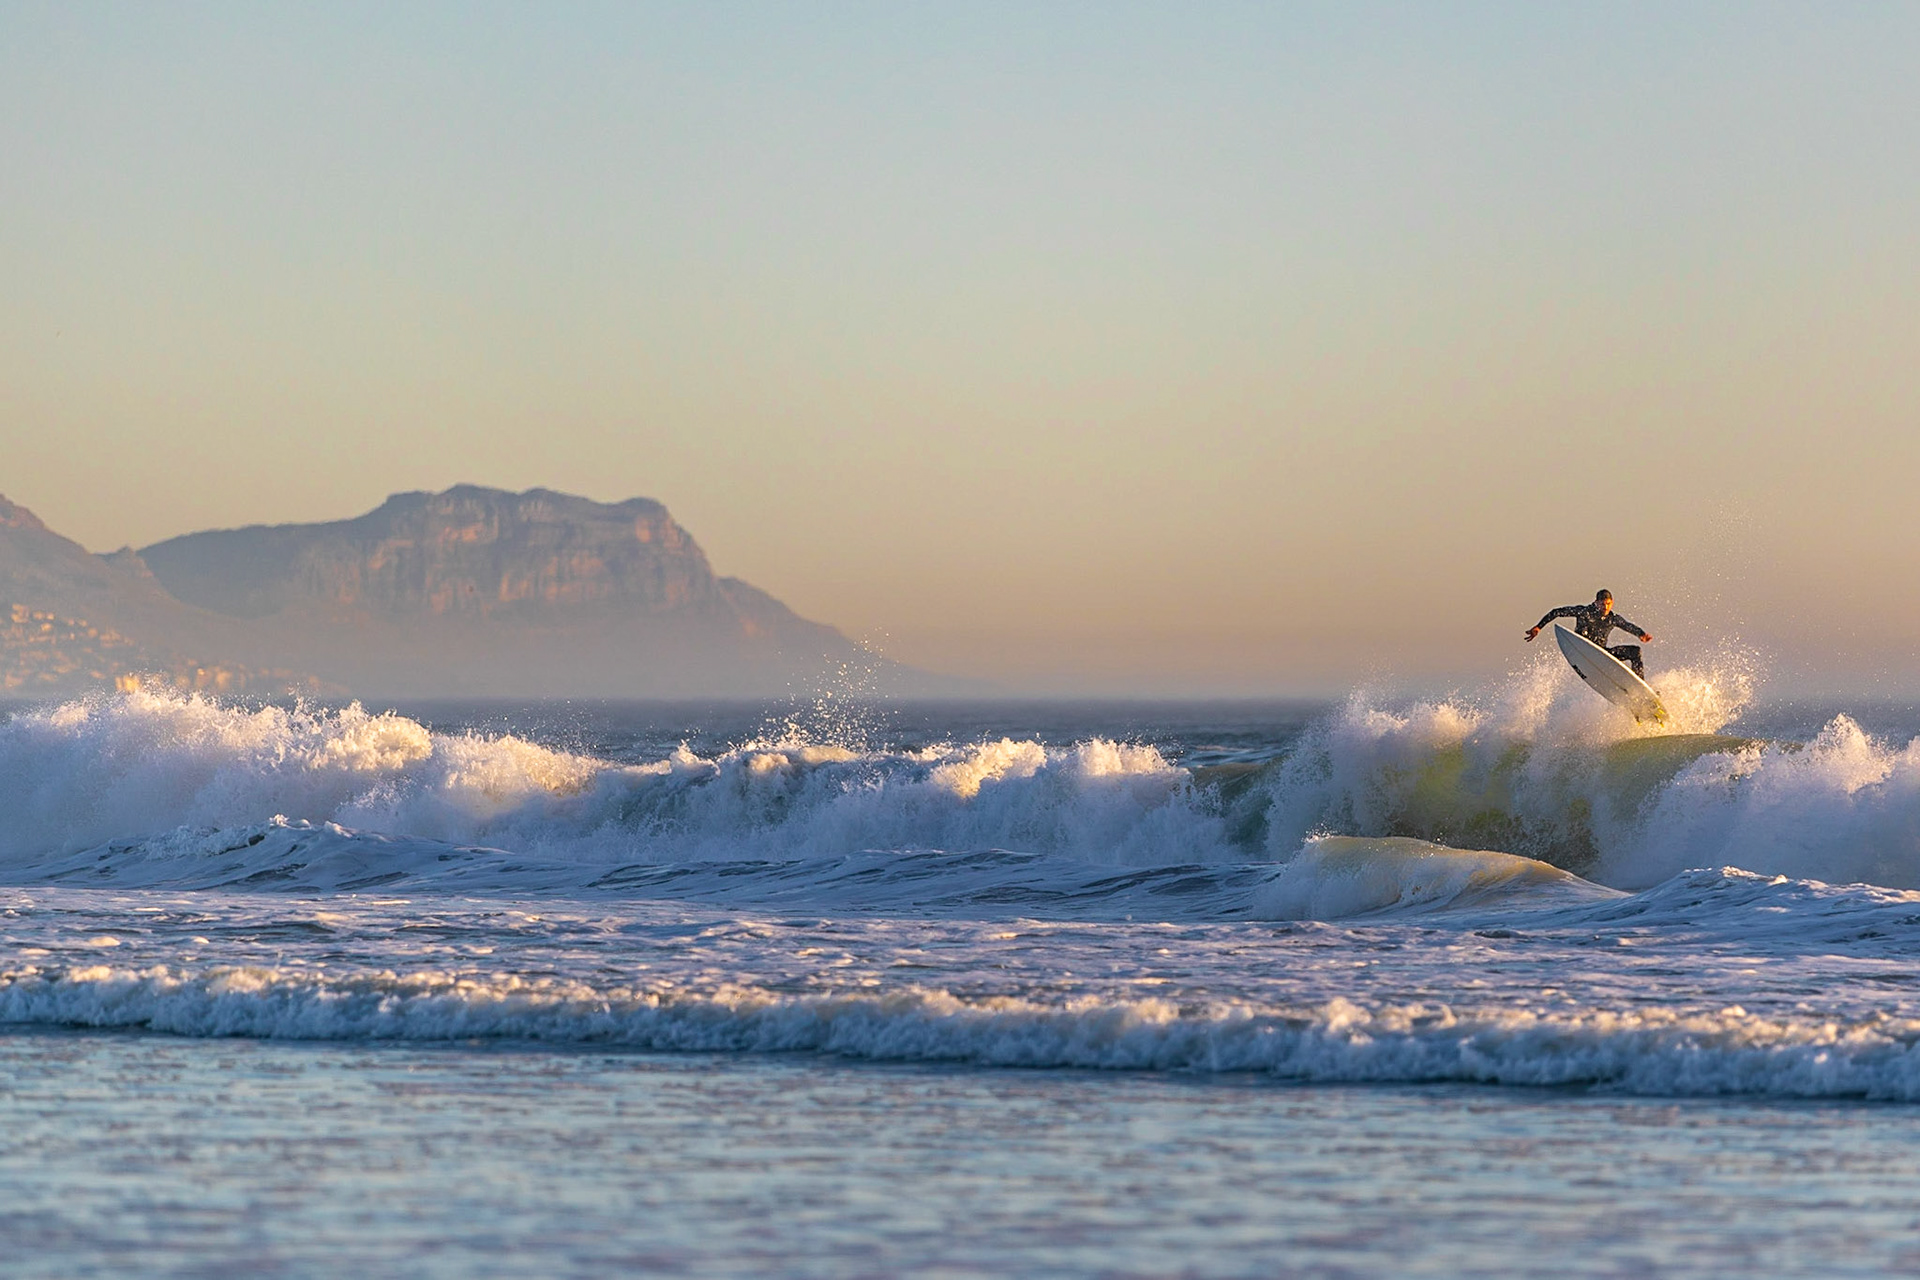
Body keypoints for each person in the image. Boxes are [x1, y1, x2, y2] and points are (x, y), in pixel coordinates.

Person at [1525, 589, 1654, 678]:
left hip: (1602, 654)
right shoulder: (1584, 612)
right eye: (1602, 604)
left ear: (1612, 602)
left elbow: (1628, 626)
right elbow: (1557, 612)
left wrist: (1641, 634)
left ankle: (1639, 686)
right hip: (1582, 648)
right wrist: (1539, 627)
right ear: (1596, 603)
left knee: (1635, 651)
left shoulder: (1613, 618)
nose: (1605, 607)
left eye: (1608, 604)